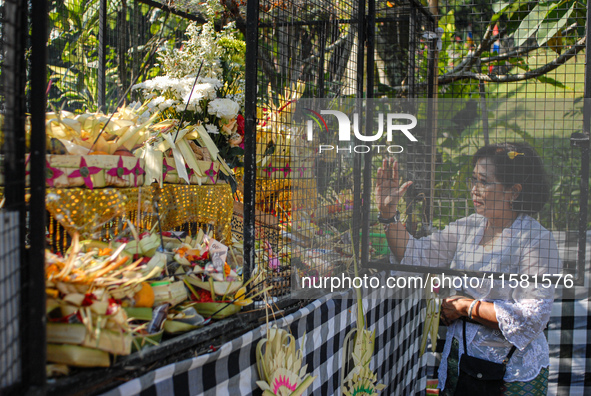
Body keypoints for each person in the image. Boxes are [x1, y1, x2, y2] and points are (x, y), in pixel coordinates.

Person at [375, 142, 561, 395]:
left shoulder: (535, 240)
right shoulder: (470, 227)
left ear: (513, 191)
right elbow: (415, 256)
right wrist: (389, 215)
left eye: (484, 182)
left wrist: (466, 307)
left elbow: (531, 319)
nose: (474, 190)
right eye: (473, 179)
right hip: (461, 363)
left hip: (511, 376)